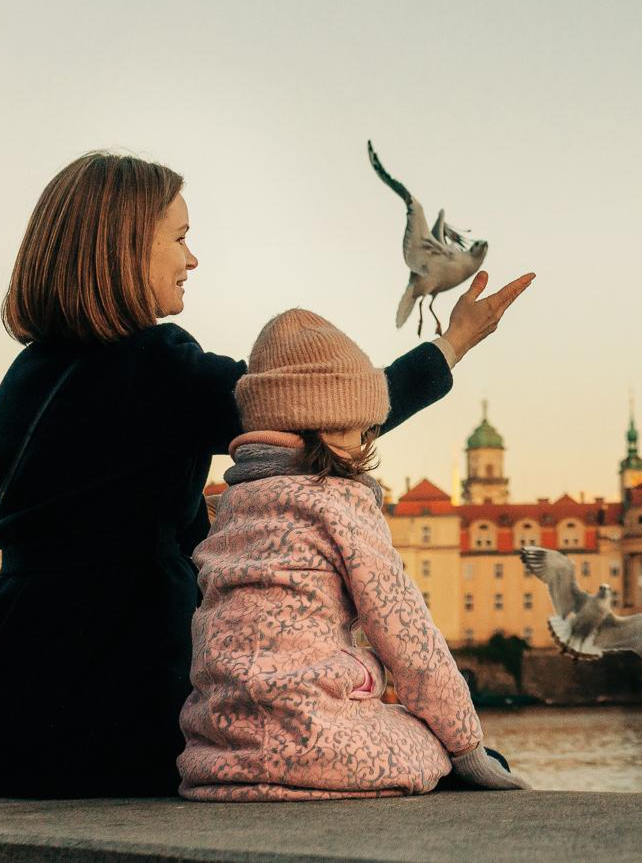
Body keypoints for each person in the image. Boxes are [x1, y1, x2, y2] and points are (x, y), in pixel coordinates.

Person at [0, 152, 532, 797]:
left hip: (2, 711)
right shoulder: (162, 368)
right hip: (123, 696)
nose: (193, 260)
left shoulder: (23, 378)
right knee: (405, 749)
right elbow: (332, 411)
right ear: (126, 247)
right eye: (181, 238)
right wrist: (455, 343)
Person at [178, 309, 529, 799]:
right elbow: (407, 635)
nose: (369, 433)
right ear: (332, 422)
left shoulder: (234, 505)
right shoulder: (341, 503)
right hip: (317, 748)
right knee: (437, 744)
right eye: (362, 422)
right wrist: (467, 747)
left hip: (218, 752)